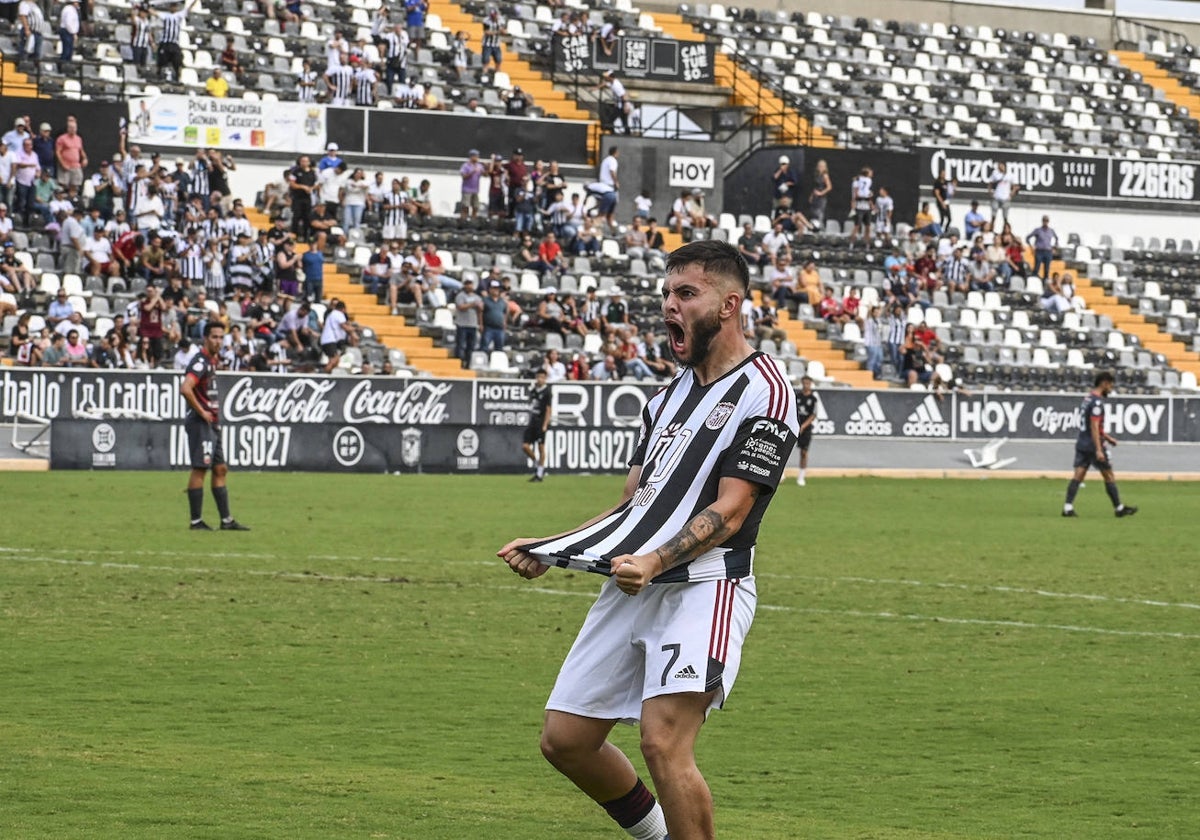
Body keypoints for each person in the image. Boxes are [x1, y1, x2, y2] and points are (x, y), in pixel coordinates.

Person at [498, 239, 799, 840]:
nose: (669, 305)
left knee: (662, 742)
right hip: (635, 581)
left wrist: (657, 559)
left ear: (729, 304)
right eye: (665, 293)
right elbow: (635, 506)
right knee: (566, 740)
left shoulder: (766, 390)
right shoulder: (663, 400)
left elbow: (732, 512)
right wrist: (557, 549)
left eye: (686, 293)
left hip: (704, 587)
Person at [180, 322, 250, 532]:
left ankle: (226, 521)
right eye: (214, 337)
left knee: (220, 468)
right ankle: (196, 522)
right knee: (200, 467)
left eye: (221, 337)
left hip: (212, 423)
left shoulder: (211, 361)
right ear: (205, 338)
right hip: (201, 423)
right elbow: (185, 388)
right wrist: (202, 412)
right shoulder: (200, 362)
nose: (218, 341)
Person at [1063, 371, 1137, 519]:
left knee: (1078, 475)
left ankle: (1067, 507)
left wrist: (1108, 438)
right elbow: (1095, 426)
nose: (1111, 388)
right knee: (1108, 474)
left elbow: (1093, 425)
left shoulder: (1087, 399)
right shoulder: (1097, 402)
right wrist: (1099, 449)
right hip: (1092, 444)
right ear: (1104, 383)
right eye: (1110, 385)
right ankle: (1119, 508)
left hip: (1082, 442)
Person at [522, 368, 552, 482]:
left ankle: (539, 474)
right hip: (533, 421)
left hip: (541, 423)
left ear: (545, 379)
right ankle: (536, 463)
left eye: (542, 377)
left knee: (541, 448)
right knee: (525, 446)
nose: (540, 379)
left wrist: (545, 424)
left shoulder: (547, 392)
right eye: (538, 377)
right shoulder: (534, 390)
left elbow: (549, 409)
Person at [794, 375, 818, 486]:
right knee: (784, 450)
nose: (806, 385)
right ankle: (780, 473)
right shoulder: (797, 396)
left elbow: (813, 415)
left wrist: (803, 426)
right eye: (804, 382)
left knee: (804, 452)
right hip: (794, 427)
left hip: (805, 429)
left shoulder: (813, 399)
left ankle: (801, 476)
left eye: (808, 383)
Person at [1026, 215, 1058, 281]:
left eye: (1046, 221)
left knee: (1046, 270)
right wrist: (1031, 247)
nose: (1045, 222)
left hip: (1048, 251)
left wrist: (1055, 248)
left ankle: (1044, 284)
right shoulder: (1038, 230)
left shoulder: (1051, 231)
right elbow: (1028, 238)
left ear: (1048, 222)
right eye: (1044, 220)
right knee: (1036, 268)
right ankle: (1034, 281)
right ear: (1042, 221)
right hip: (1039, 251)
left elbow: (1056, 239)